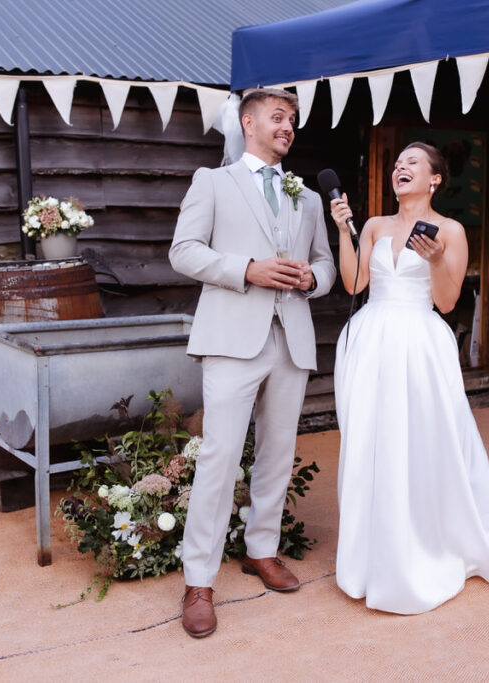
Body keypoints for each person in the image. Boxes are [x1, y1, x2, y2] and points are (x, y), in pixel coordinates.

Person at [329, 141, 489, 615]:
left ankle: (427, 538)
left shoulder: (450, 230)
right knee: (370, 439)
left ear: (434, 179)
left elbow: (446, 303)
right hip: (371, 339)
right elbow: (354, 285)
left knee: (426, 438)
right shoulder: (373, 225)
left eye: (411, 163)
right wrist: (344, 231)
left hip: (421, 344)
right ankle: (372, 548)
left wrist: (432, 261)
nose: (399, 169)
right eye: (397, 164)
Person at [169, 88, 336, 637]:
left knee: (278, 451)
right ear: (248, 122)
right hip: (232, 339)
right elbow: (184, 250)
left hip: (291, 338)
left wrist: (315, 279)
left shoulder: (308, 198)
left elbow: (324, 263)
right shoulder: (212, 182)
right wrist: (246, 269)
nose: (288, 126)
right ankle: (199, 579)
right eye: (278, 117)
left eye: (293, 120)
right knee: (219, 457)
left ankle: (261, 549)